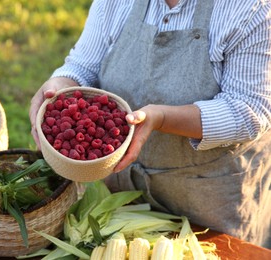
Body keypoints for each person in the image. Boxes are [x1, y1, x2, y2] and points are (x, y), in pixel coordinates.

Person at [29, 0, 271, 248]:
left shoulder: (251, 9)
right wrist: (59, 85)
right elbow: (82, 65)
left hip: (211, 202)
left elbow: (250, 109)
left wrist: (161, 118)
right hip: (120, 192)